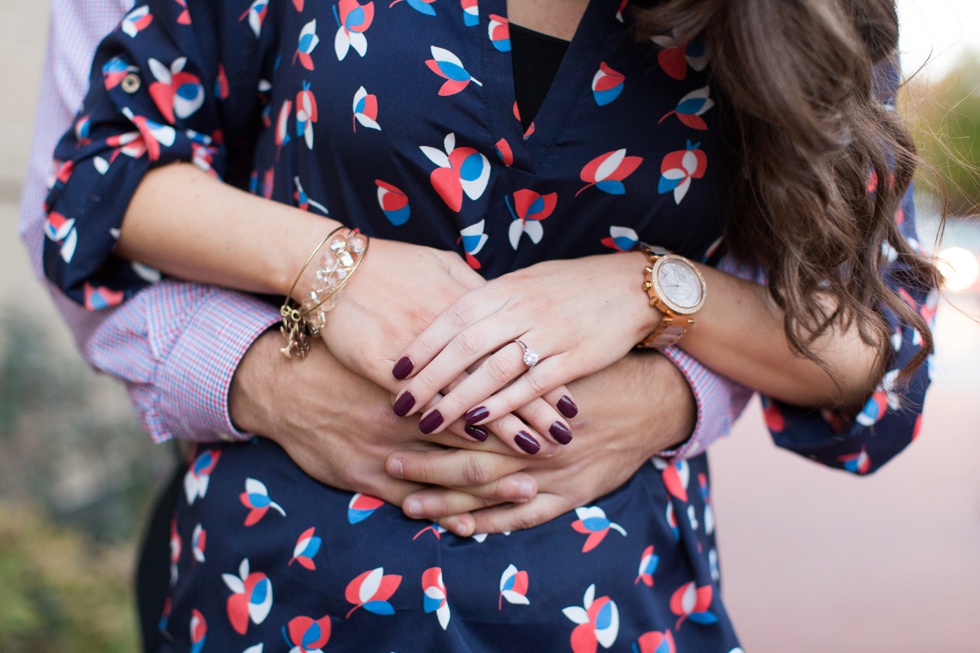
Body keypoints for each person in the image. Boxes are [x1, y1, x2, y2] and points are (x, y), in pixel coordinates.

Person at [39, 0, 937, 651]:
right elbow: (101, 180)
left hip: (616, 614)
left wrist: (655, 290)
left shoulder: (804, 21)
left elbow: (871, 340)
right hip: (273, 601)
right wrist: (328, 265)